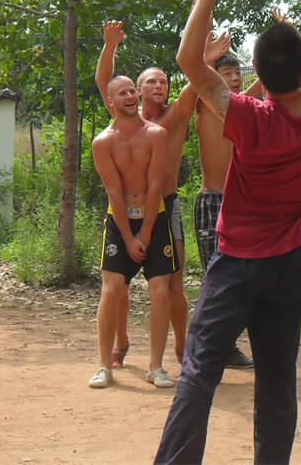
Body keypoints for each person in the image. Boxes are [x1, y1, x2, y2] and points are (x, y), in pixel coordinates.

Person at [155, 0, 301, 465]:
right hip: (290, 262)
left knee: (200, 370)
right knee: (276, 379)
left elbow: (188, 61)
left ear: (257, 77)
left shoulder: (249, 116)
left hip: (239, 262)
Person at [95, 20, 231, 368]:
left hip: (165, 207)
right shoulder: (126, 116)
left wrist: (206, 53)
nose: (159, 86)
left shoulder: (176, 114)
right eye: (151, 82)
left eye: (163, 81)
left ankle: (182, 348)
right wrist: (109, 46)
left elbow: (196, 76)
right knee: (118, 285)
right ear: (137, 91)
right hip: (125, 209)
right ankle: (121, 341)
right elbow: (104, 82)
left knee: (173, 282)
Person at [89, 75, 178, 389]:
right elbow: (114, 191)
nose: (130, 96)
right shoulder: (103, 142)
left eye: (132, 91)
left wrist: (146, 233)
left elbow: (155, 185)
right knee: (111, 290)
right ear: (111, 101)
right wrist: (128, 238)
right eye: (122, 93)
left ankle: (156, 367)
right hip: (120, 222)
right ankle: (104, 366)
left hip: (155, 219)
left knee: (160, 290)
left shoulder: (156, 134)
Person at [192, 50, 263, 370]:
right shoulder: (207, 106)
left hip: (243, 205)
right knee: (215, 278)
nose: (235, 80)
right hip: (212, 202)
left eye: (238, 74)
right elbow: (199, 75)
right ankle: (212, 347)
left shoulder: (248, 110)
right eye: (227, 74)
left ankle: (230, 345)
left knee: (250, 278)